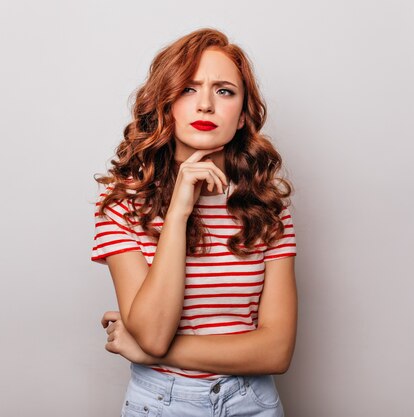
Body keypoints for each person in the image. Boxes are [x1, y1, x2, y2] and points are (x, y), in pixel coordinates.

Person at [91, 28, 297, 417]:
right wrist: (179, 210)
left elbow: (276, 350)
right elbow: (152, 331)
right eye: (187, 89)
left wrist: (149, 352)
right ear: (164, 105)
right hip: (161, 403)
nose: (205, 104)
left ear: (241, 116)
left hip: (252, 403)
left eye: (224, 91)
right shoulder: (122, 204)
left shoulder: (267, 207)